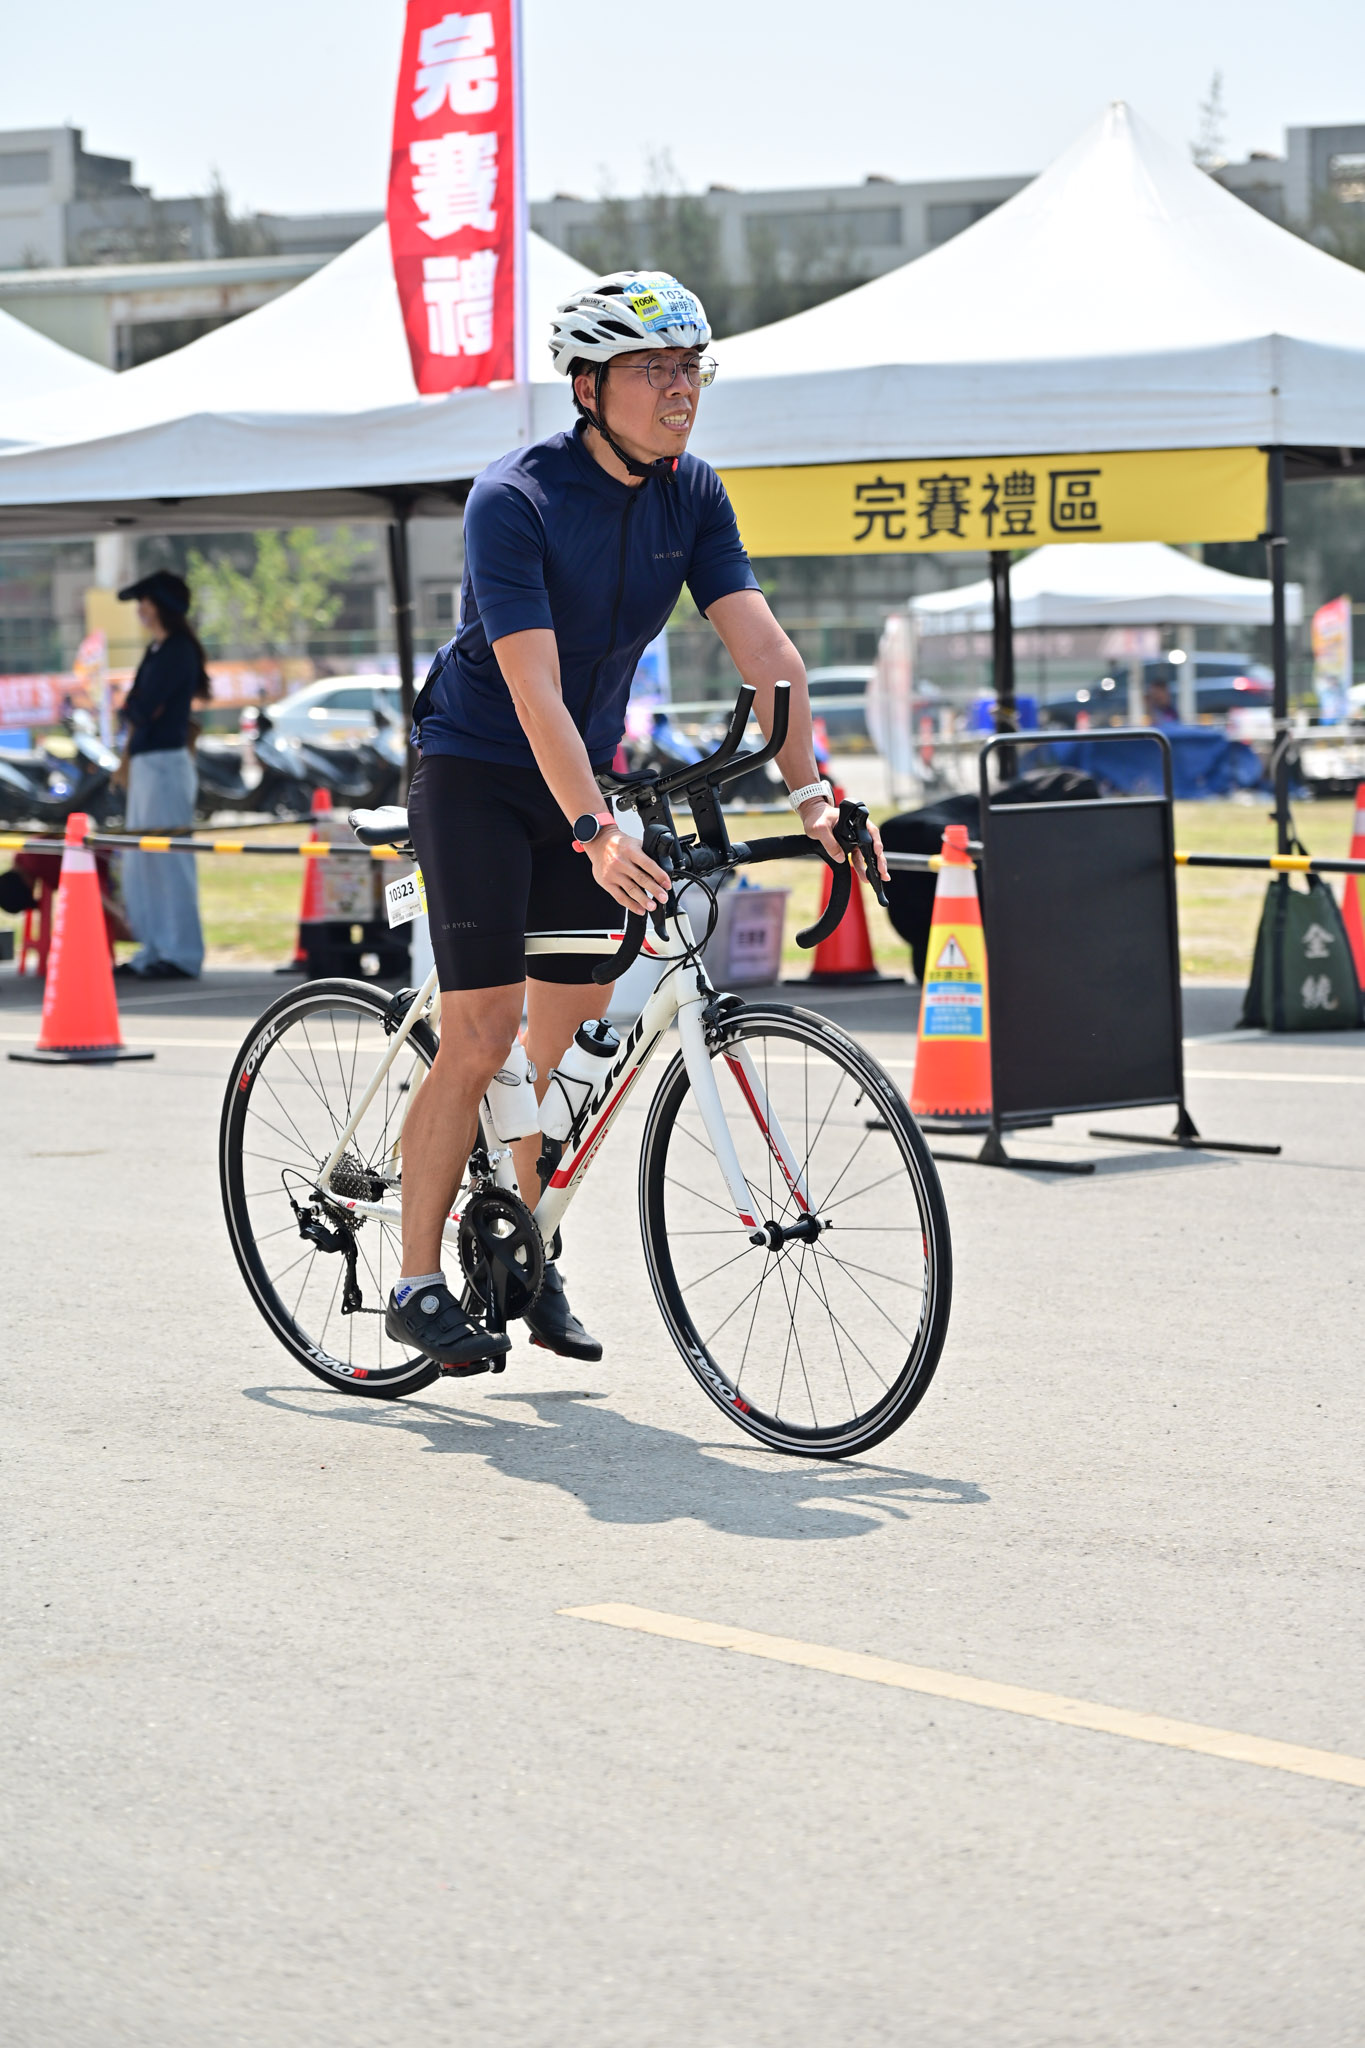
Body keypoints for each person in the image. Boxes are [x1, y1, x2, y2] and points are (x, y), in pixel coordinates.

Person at [389, 270, 887, 1374]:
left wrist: (814, 795)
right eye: (653, 369)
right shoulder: (513, 497)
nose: (680, 389)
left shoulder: (690, 492)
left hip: (581, 778)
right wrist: (595, 830)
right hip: (477, 772)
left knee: (559, 1031)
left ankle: (513, 1246)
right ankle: (417, 1281)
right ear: (588, 386)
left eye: (690, 367)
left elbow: (766, 654)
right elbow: (533, 691)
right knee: (482, 1032)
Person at [112, 569, 210, 980]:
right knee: (143, 863)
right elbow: (138, 708)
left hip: (165, 763)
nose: (141, 608)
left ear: (162, 606)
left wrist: (129, 708)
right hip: (150, 763)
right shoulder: (161, 649)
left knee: (169, 862)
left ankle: (180, 953)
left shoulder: (176, 651)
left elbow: (141, 707)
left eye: (146, 601)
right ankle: (152, 949)